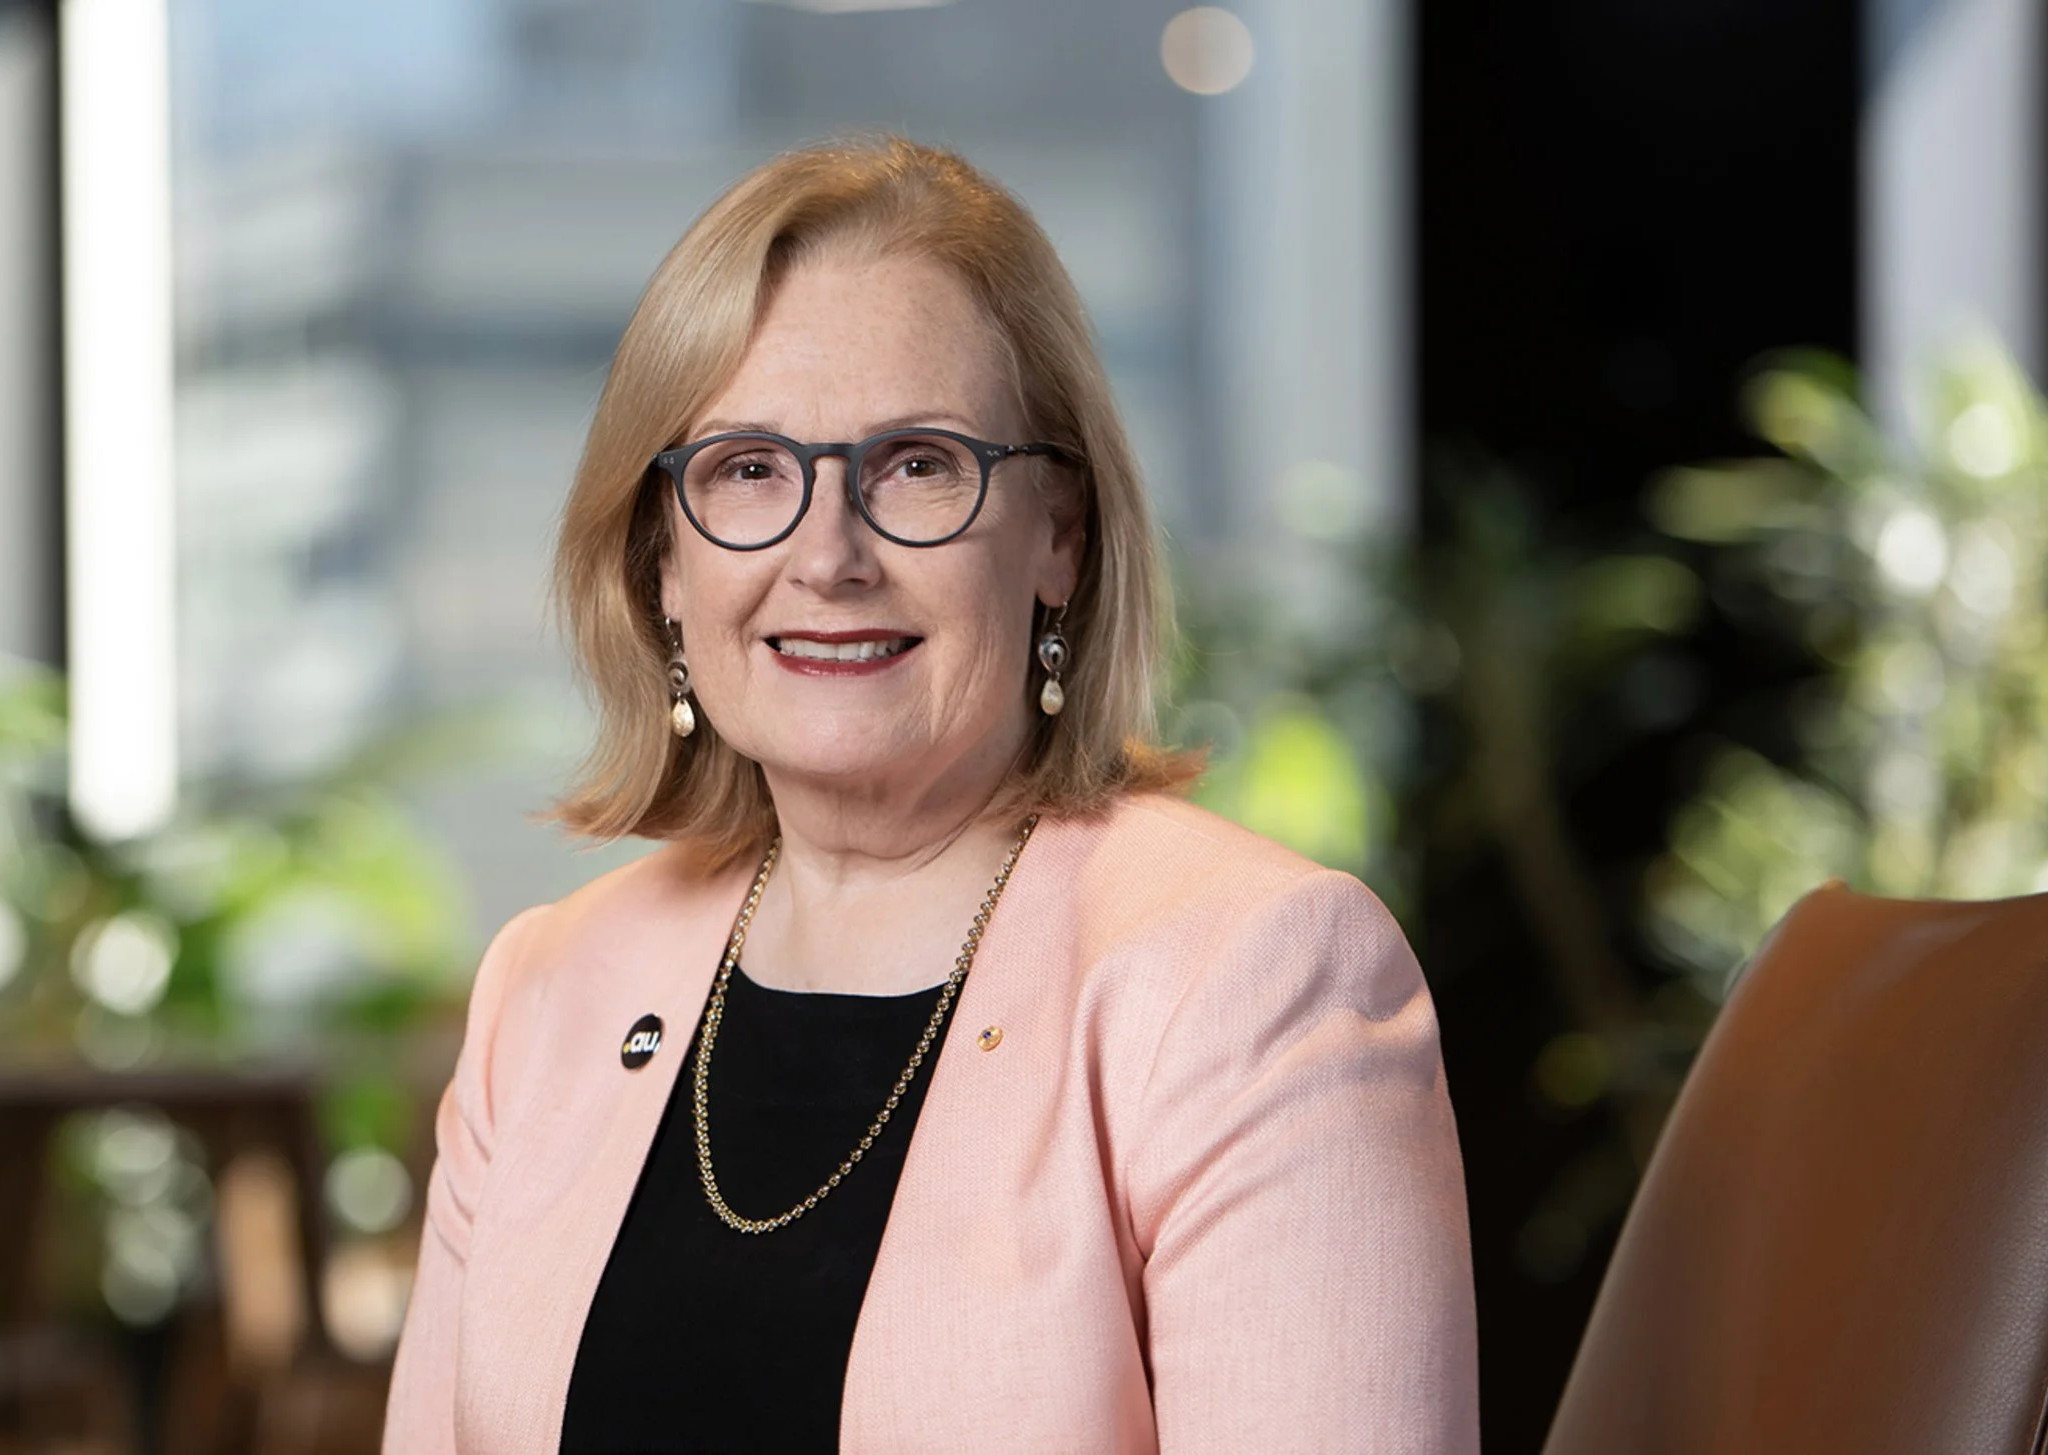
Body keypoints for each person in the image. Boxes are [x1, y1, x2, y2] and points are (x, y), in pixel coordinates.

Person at [383, 136, 1476, 1454]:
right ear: (663, 557)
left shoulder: (1251, 979)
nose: (828, 554)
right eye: (746, 470)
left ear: (1059, 535)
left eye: (915, 464)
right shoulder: (548, 993)